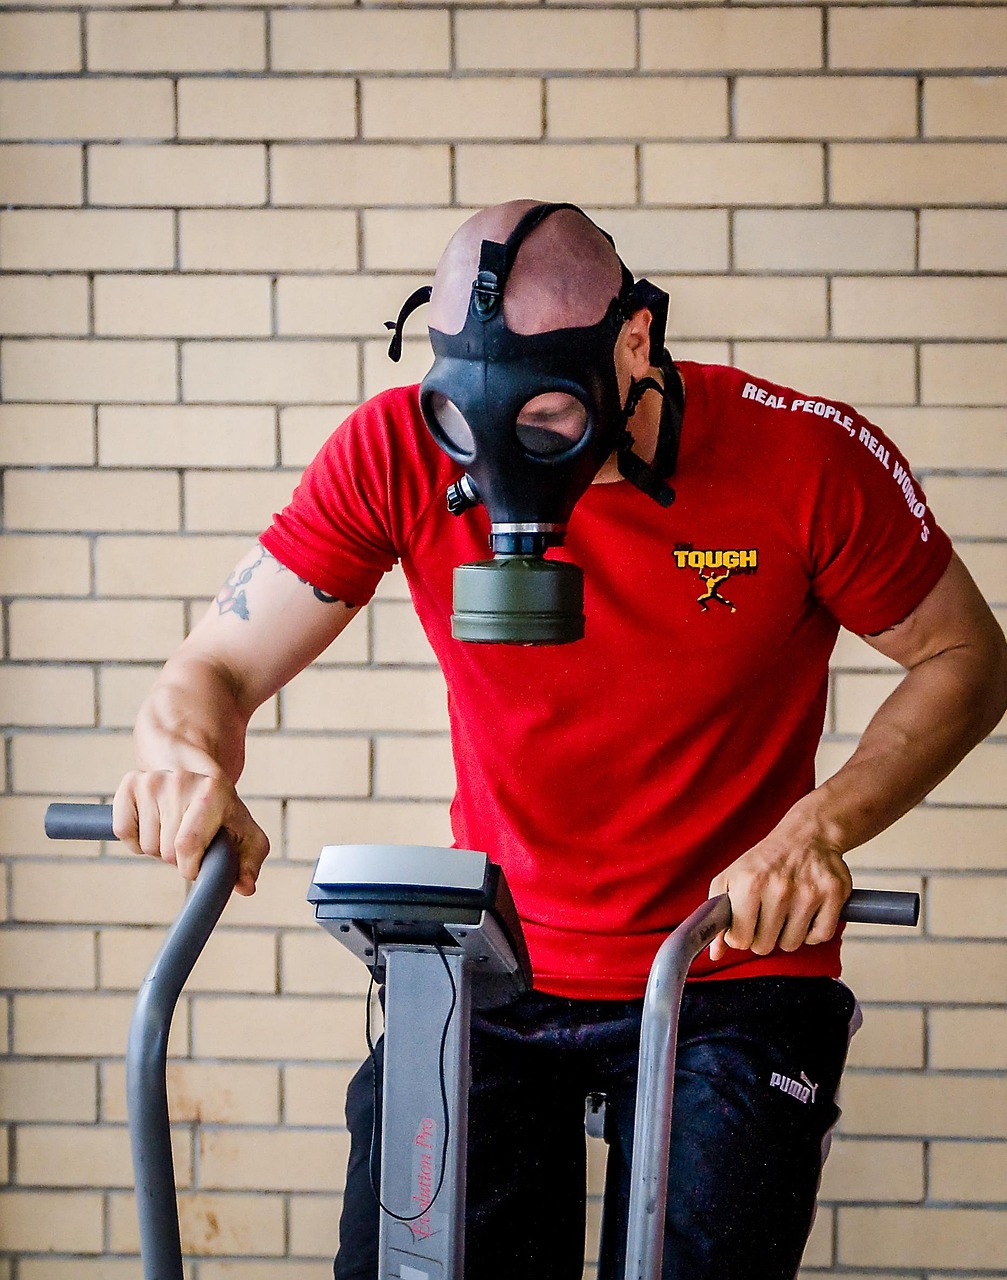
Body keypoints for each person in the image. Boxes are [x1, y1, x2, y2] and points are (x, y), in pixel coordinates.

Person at [113, 200, 1007, 1279]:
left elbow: (966, 656)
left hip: (724, 962)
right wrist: (182, 755)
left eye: (545, 419)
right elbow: (210, 668)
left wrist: (816, 827)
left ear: (634, 343)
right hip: (497, 966)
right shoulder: (398, 450)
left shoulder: (801, 454)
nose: (506, 458)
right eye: (472, 421)